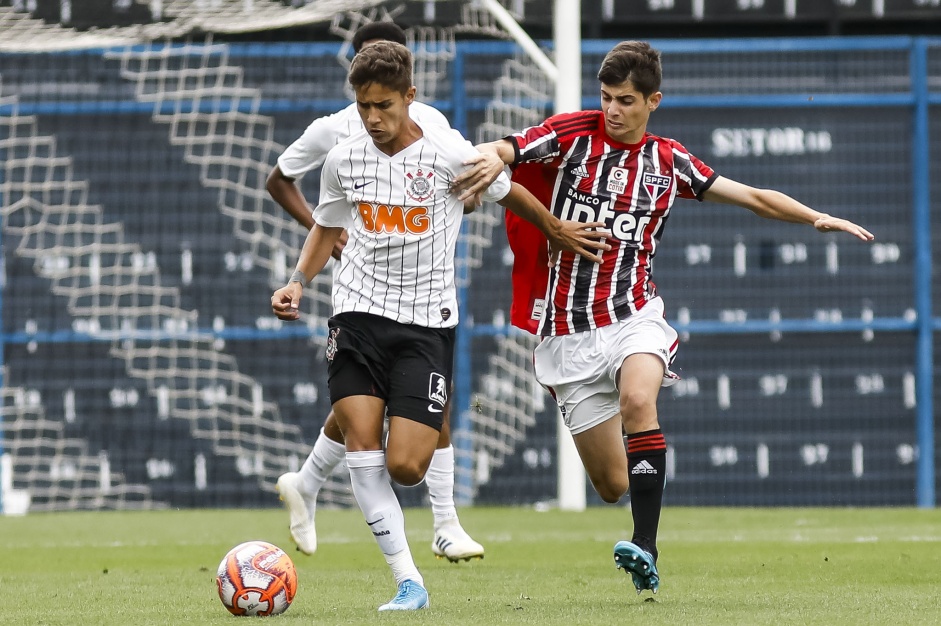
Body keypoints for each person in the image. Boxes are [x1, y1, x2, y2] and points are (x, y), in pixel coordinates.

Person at [453, 40, 874, 595]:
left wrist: (815, 216)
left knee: (638, 399)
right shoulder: (572, 133)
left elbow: (749, 196)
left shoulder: (668, 160)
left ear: (654, 101)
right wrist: (485, 161)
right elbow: (507, 149)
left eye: (626, 100)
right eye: (606, 97)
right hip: (567, 333)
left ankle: (645, 547)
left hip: (634, 315)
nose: (612, 109)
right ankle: (636, 509)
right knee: (610, 483)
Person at [271, 41, 607, 611]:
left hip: (427, 323)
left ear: (410, 97)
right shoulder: (343, 156)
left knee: (406, 464)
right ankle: (409, 582)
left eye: (383, 105)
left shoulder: (448, 151)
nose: (373, 119)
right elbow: (326, 225)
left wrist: (555, 229)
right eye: (362, 106)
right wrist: (298, 281)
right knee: (361, 442)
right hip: (355, 313)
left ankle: (374, 501)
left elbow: (508, 191)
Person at [267, 21, 507, 562]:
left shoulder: (431, 125)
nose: (373, 114)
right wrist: (324, 240)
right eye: (364, 99)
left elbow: (465, 187)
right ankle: (427, 544)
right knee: (366, 417)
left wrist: (459, 202)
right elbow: (280, 178)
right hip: (361, 300)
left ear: (406, 82)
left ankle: (311, 483)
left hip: (424, 303)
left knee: (402, 414)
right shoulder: (334, 133)